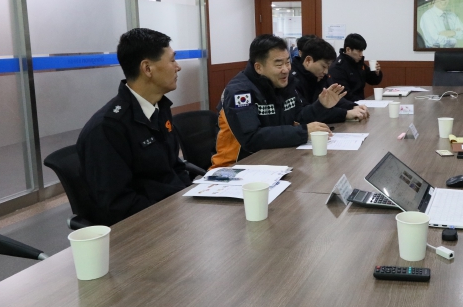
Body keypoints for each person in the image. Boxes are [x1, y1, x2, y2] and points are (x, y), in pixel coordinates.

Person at [76, 28, 191, 226]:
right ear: (147, 69)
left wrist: (191, 198)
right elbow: (118, 206)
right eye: (172, 60)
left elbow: (175, 167)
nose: (178, 67)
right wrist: (173, 214)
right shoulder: (108, 128)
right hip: (146, 227)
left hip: (175, 212)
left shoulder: (159, 108)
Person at [211, 34, 345, 169]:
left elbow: (299, 116)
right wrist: (303, 132)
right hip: (236, 166)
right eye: (279, 64)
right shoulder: (240, 92)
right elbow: (252, 138)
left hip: (276, 160)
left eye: (288, 62)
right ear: (258, 68)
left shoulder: (285, 83)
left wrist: (321, 105)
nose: (286, 69)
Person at [290, 38, 369, 123]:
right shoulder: (292, 80)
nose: (326, 71)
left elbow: (333, 98)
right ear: (308, 61)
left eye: (328, 67)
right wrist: (345, 114)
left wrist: (353, 106)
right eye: (324, 66)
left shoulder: (318, 76)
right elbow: (305, 114)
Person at [328, 33, 383, 103]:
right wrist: (362, 103)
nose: (361, 54)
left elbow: (373, 81)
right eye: (359, 51)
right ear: (348, 50)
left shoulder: (358, 63)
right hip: (348, 105)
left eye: (362, 51)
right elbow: (344, 94)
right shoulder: (338, 67)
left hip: (360, 103)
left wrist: (376, 73)